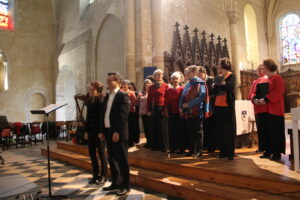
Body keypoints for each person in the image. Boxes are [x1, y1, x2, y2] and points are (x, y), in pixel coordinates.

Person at [99, 72, 131, 196]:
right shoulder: (107, 96)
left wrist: (117, 131)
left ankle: (126, 185)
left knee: (122, 160)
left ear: (117, 81)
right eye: (107, 81)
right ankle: (116, 183)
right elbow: (104, 114)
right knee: (111, 159)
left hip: (118, 132)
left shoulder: (123, 96)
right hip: (108, 131)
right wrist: (102, 130)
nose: (107, 83)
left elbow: (123, 116)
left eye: (110, 81)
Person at [258, 59, 286, 161]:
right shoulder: (266, 79)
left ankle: (276, 153)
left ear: (268, 67)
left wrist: (265, 99)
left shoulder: (278, 78)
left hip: (276, 110)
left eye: (264, 66)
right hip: (266, 110)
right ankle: (268, 151)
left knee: (275, 132)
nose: (262, 68)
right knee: (267, 132)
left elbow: (278, 91)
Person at [212, 58, 236, 160]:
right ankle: (223, 152)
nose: (218, 66)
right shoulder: (218, 77)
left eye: (219, 64)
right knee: (220, 130)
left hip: (227, 105)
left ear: (223, 66)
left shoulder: (231, 76)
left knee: (229, 130)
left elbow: (229, 87)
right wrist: (219, 86)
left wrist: (217, 86)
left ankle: (230, 153)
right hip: (218, 105)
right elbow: (213, 89)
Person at [179, 65, 206, 157]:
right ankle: (191, 150)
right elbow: (182, 96)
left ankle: (198, 151)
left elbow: (202, 96)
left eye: (188, 72)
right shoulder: (188, 83)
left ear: (193, 73)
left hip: (196, 111)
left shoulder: (200, 83)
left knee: (198, 132)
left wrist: (189, 104)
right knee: (190, 132)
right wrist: (180, 107)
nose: (186, 74)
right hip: (187, 111)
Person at [84, 81, 107, 184]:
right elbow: (88, 118)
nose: (90, 91)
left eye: (92, 89)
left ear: (98, 90)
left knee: (102, 154)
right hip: (91, 131)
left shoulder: (102, 100)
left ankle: (103, 175)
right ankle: (95, 174)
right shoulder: (90, 100)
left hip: (99, 131)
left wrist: (101, 132)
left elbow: (102, 118)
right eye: (90, 89)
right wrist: (86, 131)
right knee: (92, 154)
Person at [147, 69, 170, 152]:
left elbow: (167, 98)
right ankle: (155, 146)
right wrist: (148, 110)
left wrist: (165, 109)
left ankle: (164, 147)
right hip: (153, 108)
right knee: (154, 127)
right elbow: (149, 98)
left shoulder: (166, 86)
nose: (159, 76)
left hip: (162, 108)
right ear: (154, 76)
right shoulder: (151, 86)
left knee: (163, 128)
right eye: (157, 74)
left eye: (161, 74)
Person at [248, 65, 269, 153]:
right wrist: (254, 99)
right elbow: (251, 93)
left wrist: (264, 100)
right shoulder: (255, 82)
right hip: (258, 108)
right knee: (260, 128)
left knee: (267, 128)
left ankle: (268, 147)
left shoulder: (269, 80)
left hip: (267, 107)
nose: (260, 70)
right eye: (258, 69)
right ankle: (262, 146)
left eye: (262, 68)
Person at [198, 66, 216, 153]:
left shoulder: (211, 80)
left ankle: (211, 147)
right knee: (205, 126)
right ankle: (206, 145)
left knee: (211, 127)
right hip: (202, 107)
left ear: (204, 73)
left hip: (211, 107)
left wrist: (208, 97)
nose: (199, 77)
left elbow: (216, 94)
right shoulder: (200, 82)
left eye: (200, 75)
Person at [165, 72, 185, 153]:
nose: (175, 80)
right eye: (173, 79)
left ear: (180, 80)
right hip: (171, 113)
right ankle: (172, 148)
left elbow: (184, 101)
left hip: (179, 112)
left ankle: (180, 148)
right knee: (171, 130)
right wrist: (166, 111)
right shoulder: (168, 90)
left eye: (177, 78)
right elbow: (166, 101)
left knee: (179, 131)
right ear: (171, 80)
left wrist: (182, 111)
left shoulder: (182, 89)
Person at [137, 79, 153, 148]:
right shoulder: (141, 92)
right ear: (144, 85)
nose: (148, 84)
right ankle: (148, 141)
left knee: (150, 128)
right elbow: (137, 103)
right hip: (143, 112)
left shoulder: (152, 92)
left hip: (150, 112)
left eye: (149, 83)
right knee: (145, 128)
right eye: (147, 83)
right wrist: (138, 97)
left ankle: (151, 142)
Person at [121, 80, 137, 147]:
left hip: (130, 112)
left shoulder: (131, 93)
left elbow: (134, 102)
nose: (124, 86)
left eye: (125, 84)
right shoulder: (120, 92)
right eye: (123, 84)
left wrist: (126, 108)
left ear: (128, 85)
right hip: (122, 113)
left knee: (130, 127)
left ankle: (131, 142)